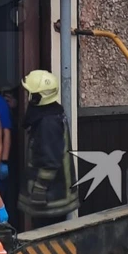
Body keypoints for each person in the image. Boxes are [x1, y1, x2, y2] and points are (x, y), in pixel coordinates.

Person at [18, 69, 79, 223]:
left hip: (51, 198)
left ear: (37, 97)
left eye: (30, 94)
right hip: (53, 194)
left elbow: (50, 160)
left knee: (46, 238)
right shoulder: (51, 113)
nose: (27, 97)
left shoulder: (47, 122)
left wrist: (40, 188)